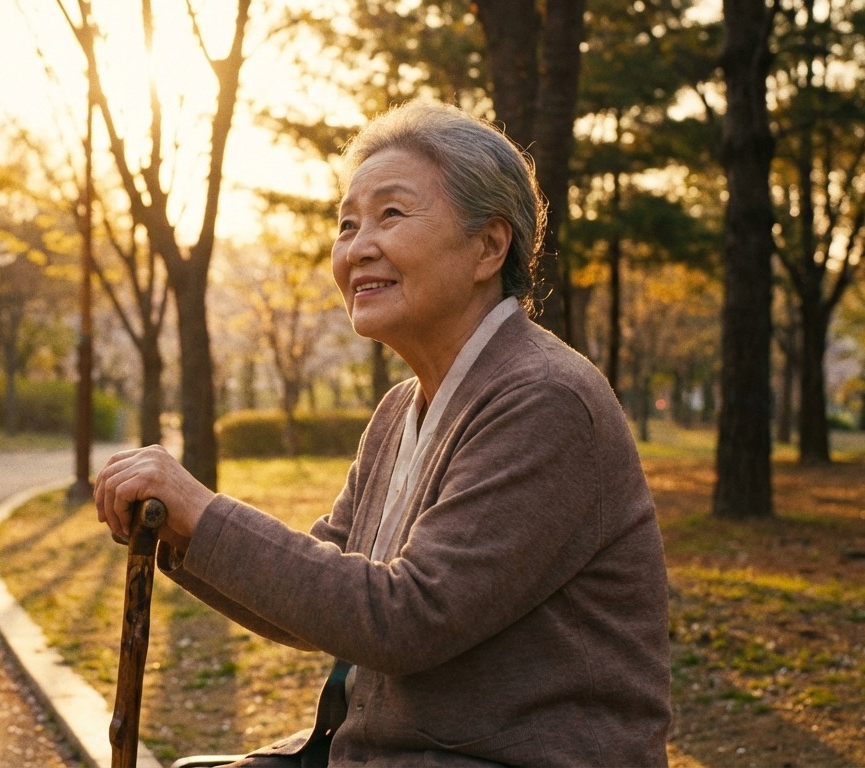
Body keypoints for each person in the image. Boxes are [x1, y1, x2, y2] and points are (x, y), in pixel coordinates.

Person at [94, 99, 671, 767]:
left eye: (390, 215)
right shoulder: (401, 408)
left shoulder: (544, 399)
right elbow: (321, 601)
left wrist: (204, 511)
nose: (357, 246)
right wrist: (180, 531)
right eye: (346, 224)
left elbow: (406, 617)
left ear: (488, 246)